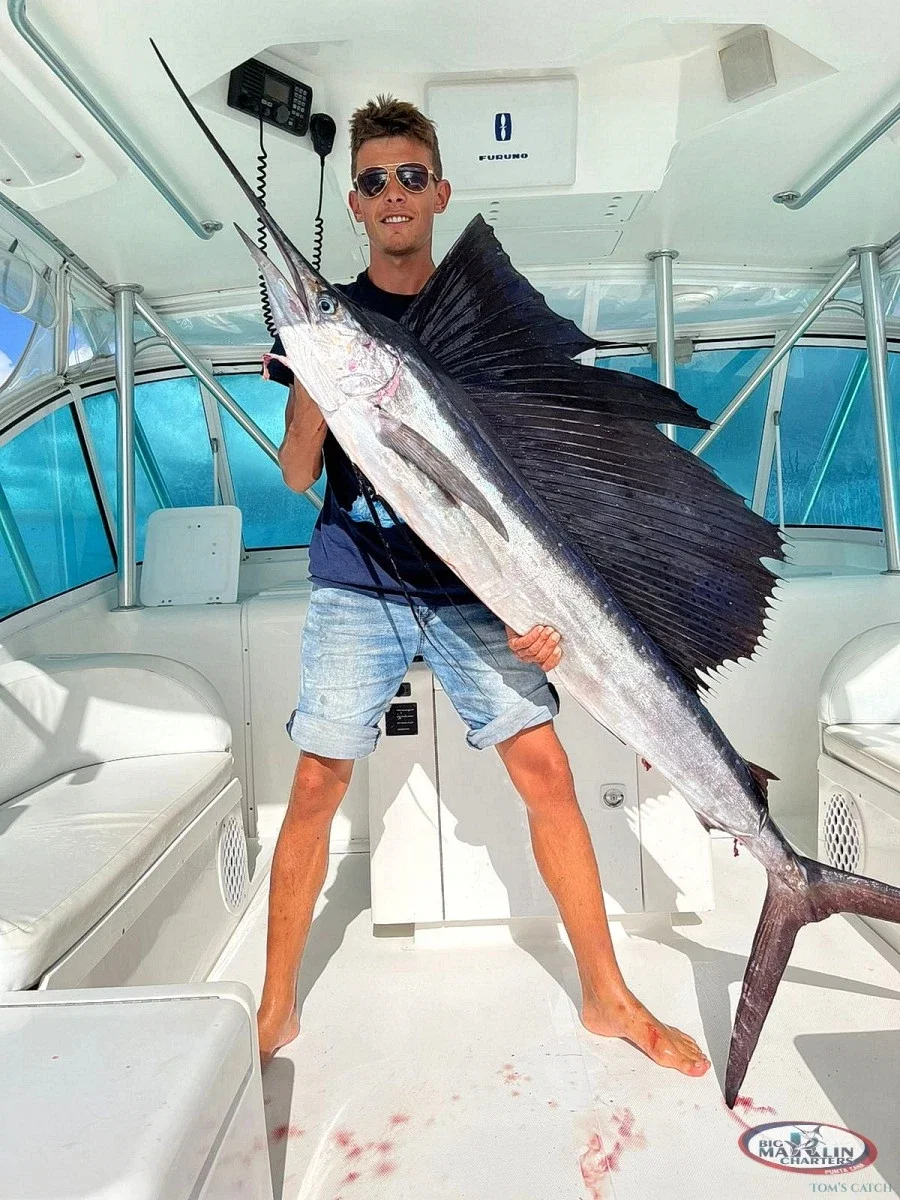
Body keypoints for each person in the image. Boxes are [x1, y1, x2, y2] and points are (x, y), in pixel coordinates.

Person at [257, 95, 710, 1080]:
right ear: (355, 200)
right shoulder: (328, 331)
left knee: (546, 772)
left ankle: (607, 994)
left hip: (480, 590)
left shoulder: (481, 324)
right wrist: (316, 376)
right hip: (358, 581)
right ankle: (274, 1006)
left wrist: (541, 614)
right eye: (373, 179)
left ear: (440, 193)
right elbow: (296, 477)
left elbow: (536, 491)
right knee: (317, 779)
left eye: (410, 176)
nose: (392, 192)